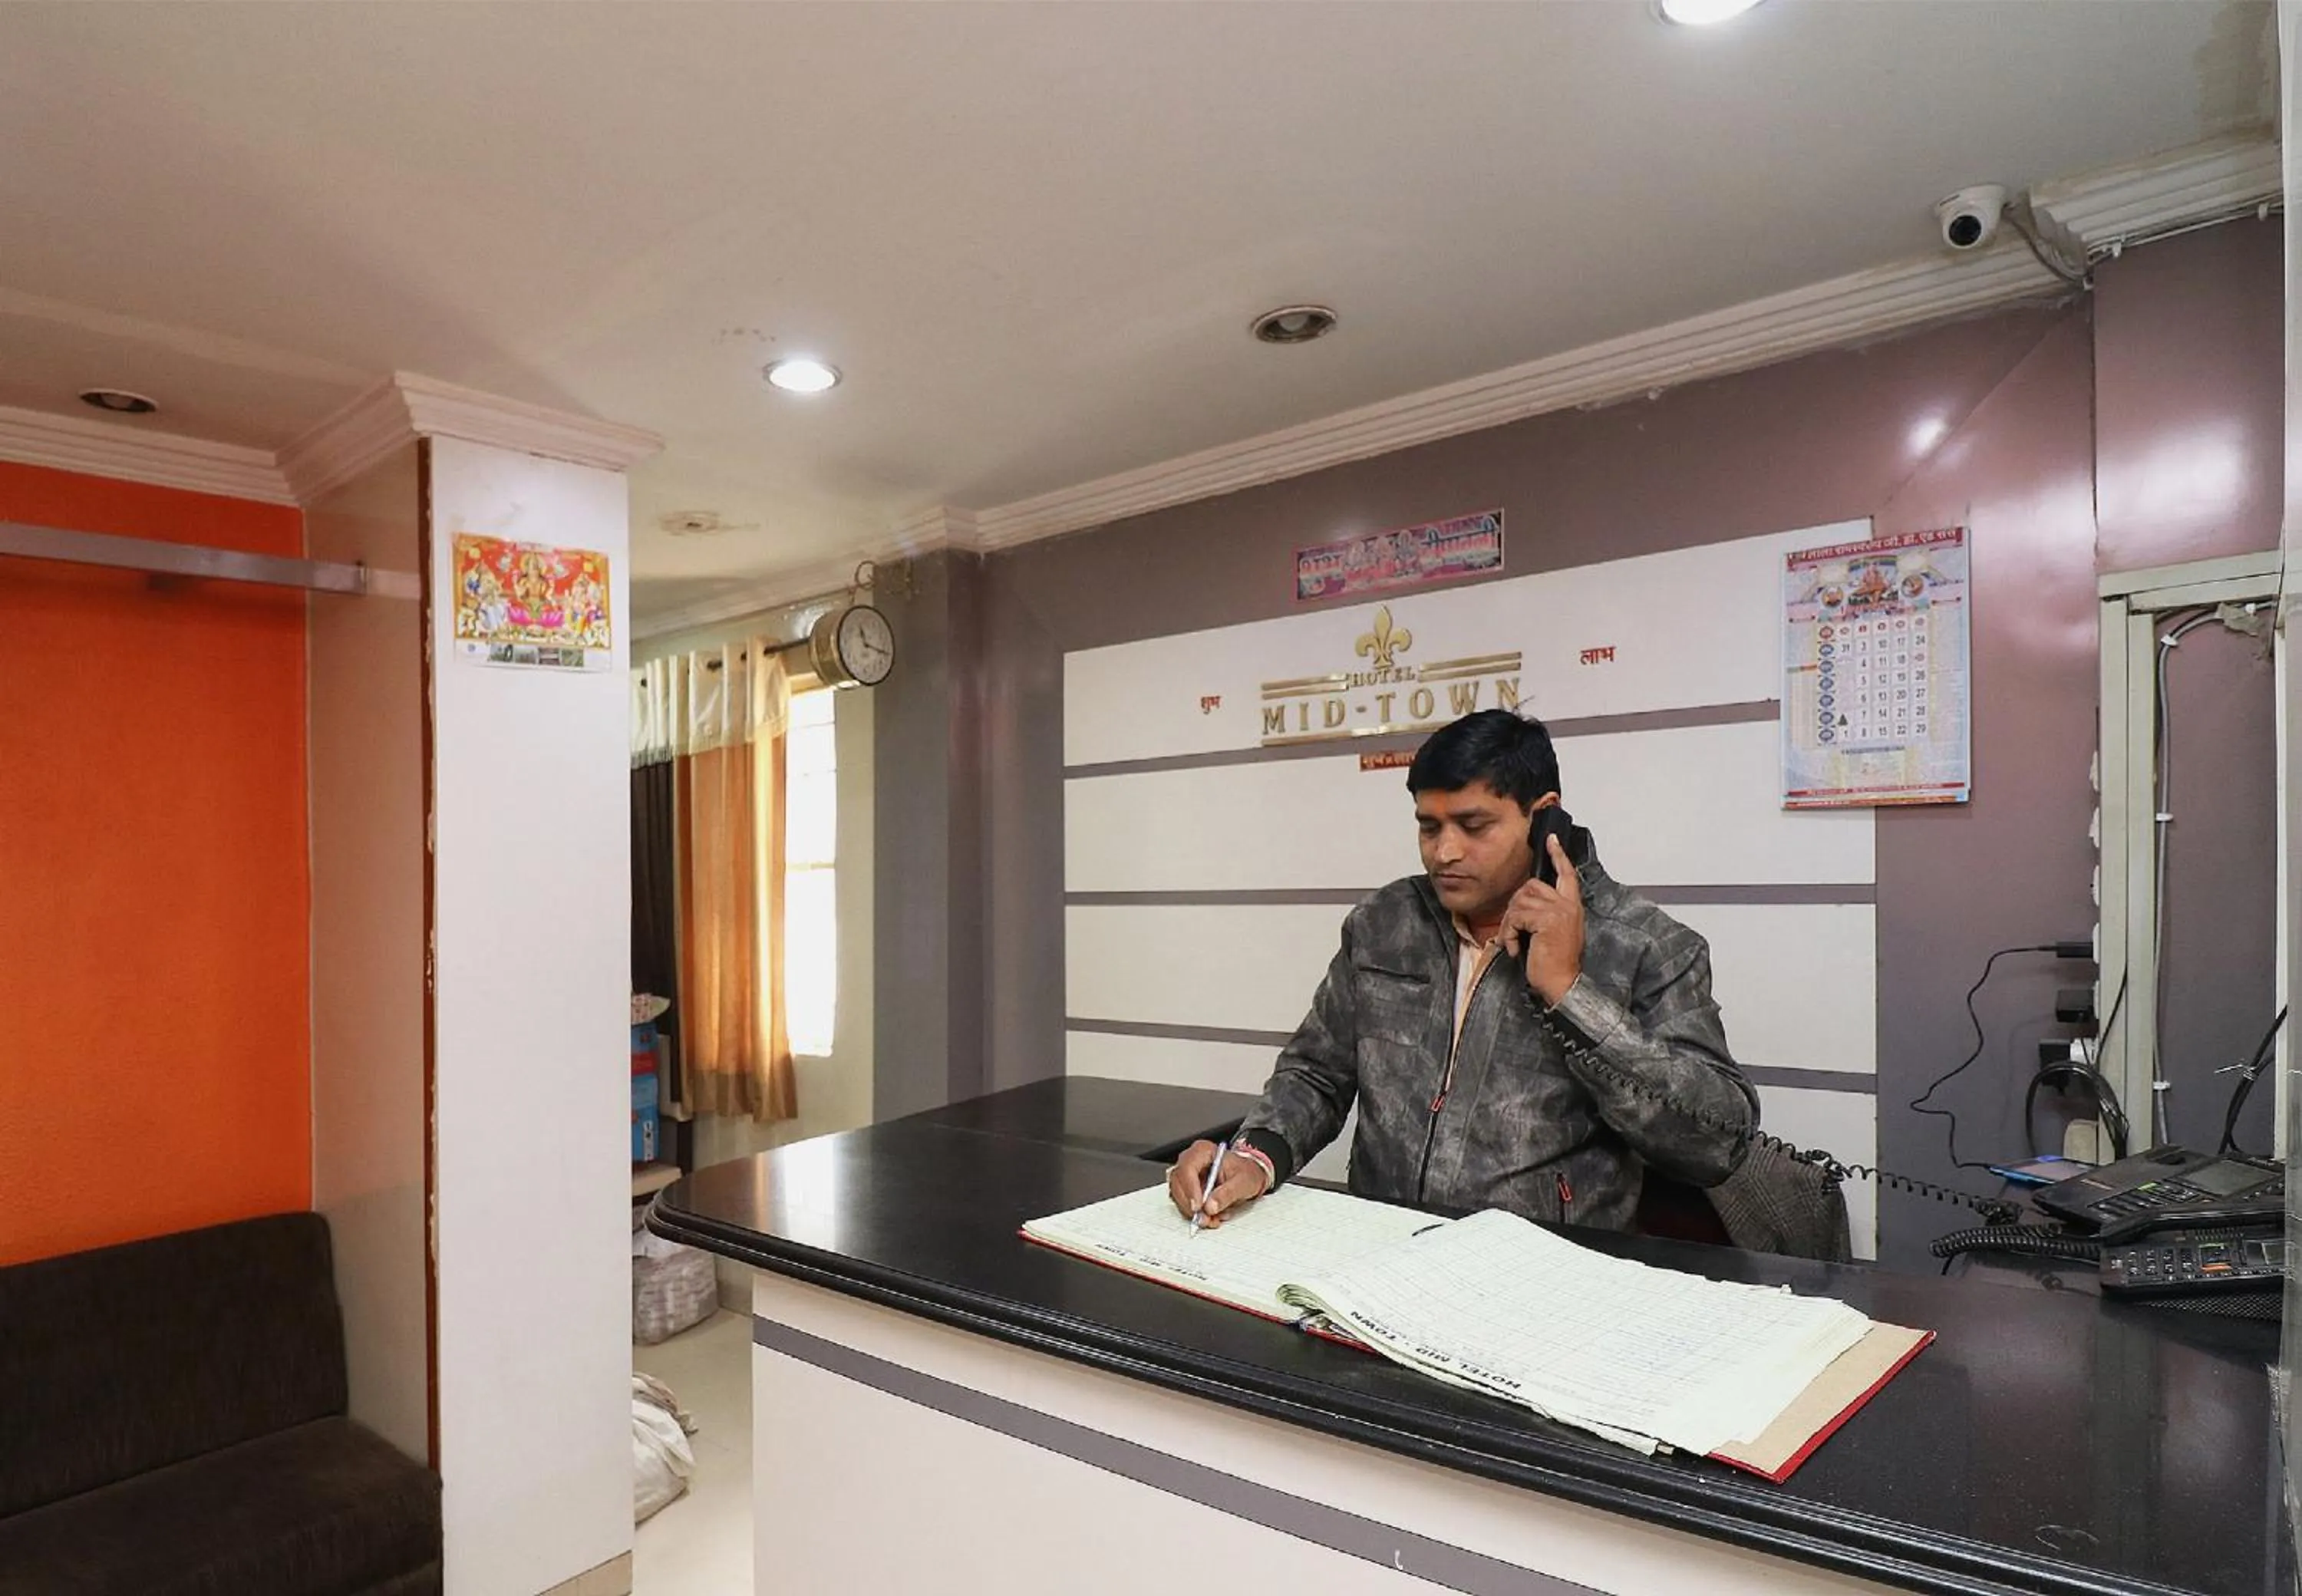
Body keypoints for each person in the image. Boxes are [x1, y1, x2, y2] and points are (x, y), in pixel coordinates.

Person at [1167, 708, 1754, 1232]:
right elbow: (1317, 1073)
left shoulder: (1645, 945)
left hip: (1548, 1277)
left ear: (1544, 818)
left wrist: (1570, 992)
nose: (1444, 852)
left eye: (1474, 827)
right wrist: (1255, 1156)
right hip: (1378, 1253)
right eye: (1429, 826)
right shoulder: (1385, 923)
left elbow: (1716, 1143)